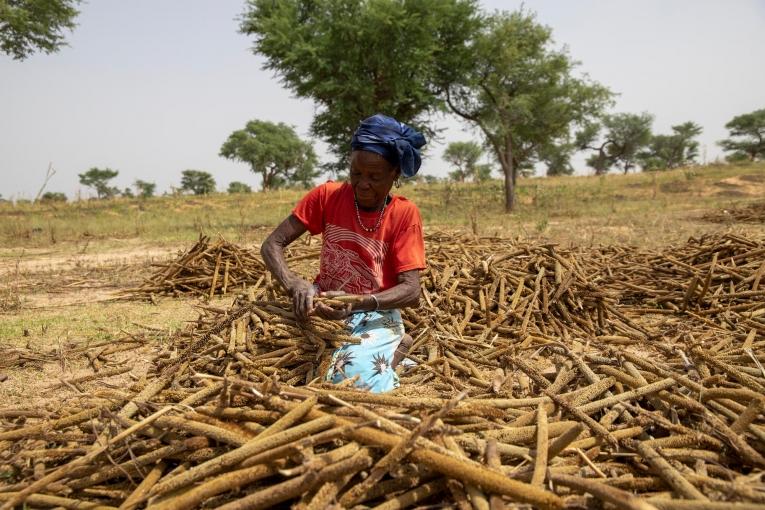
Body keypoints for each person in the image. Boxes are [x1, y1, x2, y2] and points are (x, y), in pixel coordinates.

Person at [261, 113, 427, 393]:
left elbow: (411, 291)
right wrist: (294, 284)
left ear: (395, 174)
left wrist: (358, 303)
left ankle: (397, 349)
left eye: (375, 177)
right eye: (356, 174)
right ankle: (387, 355)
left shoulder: (403, 214)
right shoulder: (326, 196)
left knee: (351, 379)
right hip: (320, 303)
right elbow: (271, 245)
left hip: (374, 310)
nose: (363, 184)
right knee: (270, 358)